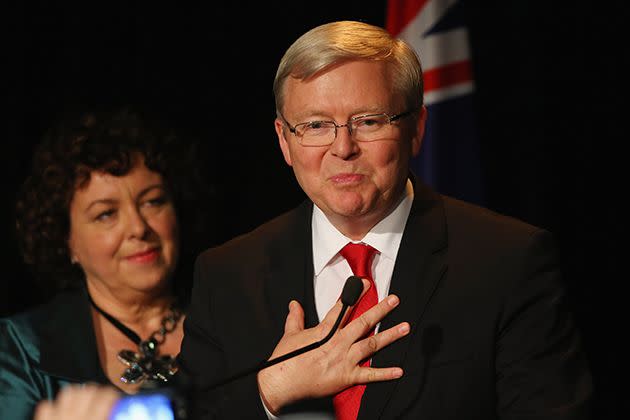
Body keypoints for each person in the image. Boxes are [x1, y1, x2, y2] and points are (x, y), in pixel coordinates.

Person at [176, 20, 593, 419]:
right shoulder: (228, 274)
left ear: (416, 129)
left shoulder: (507, 261)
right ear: (285, 141)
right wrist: (271, 393)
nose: (343, 148)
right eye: (316, 125)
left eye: (369, 121)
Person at [0, 106, 211, 419]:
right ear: (66, 241)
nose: (139, 228)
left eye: (153, 201)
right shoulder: (22, 348)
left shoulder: (229, 318)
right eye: (106, 214)